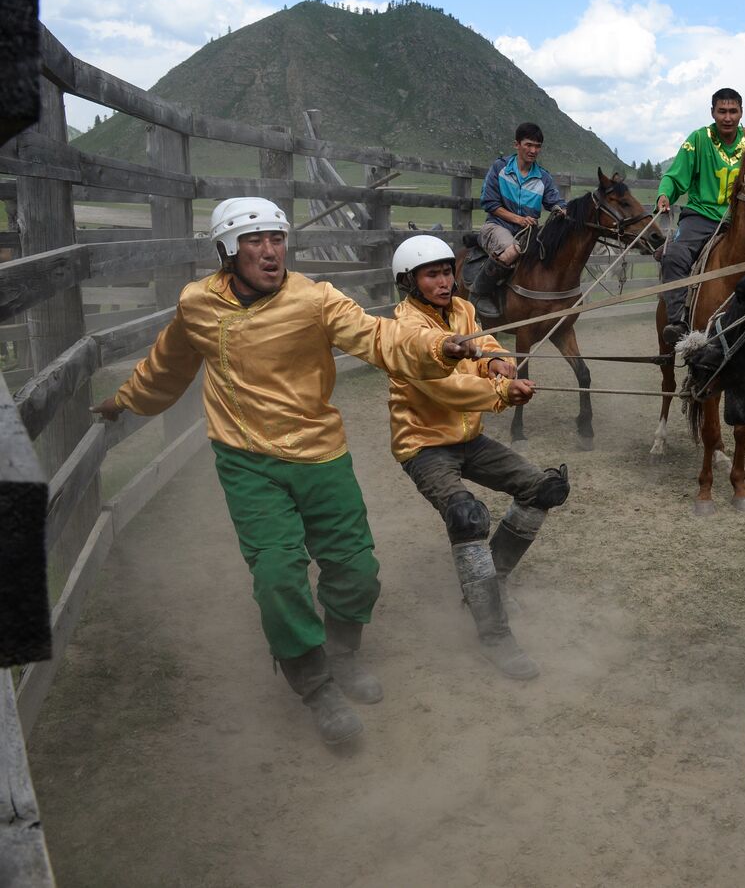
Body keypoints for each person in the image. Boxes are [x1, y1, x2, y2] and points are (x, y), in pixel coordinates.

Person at [90, 197, 480, 746]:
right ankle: (314, 682)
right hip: (247, 458)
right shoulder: (198, 305)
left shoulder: (316, 299)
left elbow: (379, 336)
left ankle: (342, 654)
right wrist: (123, 402)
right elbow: (166, 366)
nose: (270, 251)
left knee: (355, 569)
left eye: (277, 239)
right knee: (277, 574)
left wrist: (441, 343)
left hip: (321, 452)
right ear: (228, 249)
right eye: (255, 241)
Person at [387, 236, 571, 681]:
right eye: (432, 274)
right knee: (468, 517)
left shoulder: (462, 310)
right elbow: (444, 388)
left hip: (467, 437)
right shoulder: (407, 331)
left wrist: (493, 360)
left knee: (546, 487)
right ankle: (493, 635)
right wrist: (503, 391)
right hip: (425, 445)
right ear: (408, 282)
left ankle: (491, 581)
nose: (445, 281)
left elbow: (483, 339)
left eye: (447, 271)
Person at [654, 87, 745, 346]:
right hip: (701, 216)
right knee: (674, 255)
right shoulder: (698, 139)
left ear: (741, 113)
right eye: (722, 111)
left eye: (733, 111)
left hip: (744, 219)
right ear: (713, 113)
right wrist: (665, 195)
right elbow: (675, 175)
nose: (727, 117)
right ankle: (678, 320)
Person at [472, 122, 569, 303]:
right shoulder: (499, 169)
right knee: (513, 251)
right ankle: (479, 296)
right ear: (517, 144)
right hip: (497, 225)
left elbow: (556, 203)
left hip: (528, 233)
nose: (533, 150)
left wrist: (563, 210)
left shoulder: (543, 178)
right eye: (529, 145)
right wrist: (519, 219)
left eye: (537, 146)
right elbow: (489, 203)